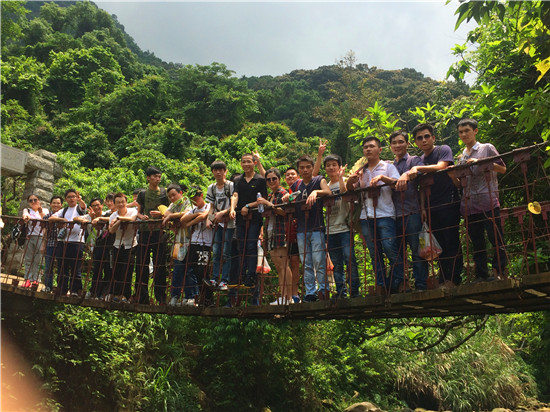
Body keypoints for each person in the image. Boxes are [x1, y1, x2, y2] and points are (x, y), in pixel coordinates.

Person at [346, 136, 404, 293]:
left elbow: (398, 184)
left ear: (379, 150)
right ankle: (382, 284)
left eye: (371, 146)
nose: (368, 149)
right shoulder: (361, 171)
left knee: (390, 247)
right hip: (366, 216)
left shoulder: (388, 166)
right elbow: (351, 189)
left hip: (385, 213)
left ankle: (398, 281)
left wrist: (382, 178)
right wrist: (351, 181)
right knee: (374, 252)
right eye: (365, 147)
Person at [408, 123, 463, 287]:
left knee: (451, 240)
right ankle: (444, 278)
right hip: (431, 207)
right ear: (416, 143)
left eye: (426, 136)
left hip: (449, 202)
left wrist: (417, 168)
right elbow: (423, 187)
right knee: (439, 243)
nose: (423, 140)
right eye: (419, 138)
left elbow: (441, 166)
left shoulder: (442, 150)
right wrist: (423, 208)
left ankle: (454, 279)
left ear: (433, 137)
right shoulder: (421, 160)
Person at [456, 118, 507, 281]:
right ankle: (481, 275)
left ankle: (500, 272)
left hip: (488, 200)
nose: (464, 134)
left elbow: (503, 168)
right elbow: (460, 184)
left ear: (475, 131)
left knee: (495, 237)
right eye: (461, 132)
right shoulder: (461, 157)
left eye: (467, 131)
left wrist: (482, 162)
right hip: (469, 204)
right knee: (477, 242)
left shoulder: (486, 148)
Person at [283, 154, 331, 301]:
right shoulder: (296, 185)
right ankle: (310, 292)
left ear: (312, 168)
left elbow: (328, 192)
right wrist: (286, 198)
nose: (305, 170)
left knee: (319, 260)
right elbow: (290, 198)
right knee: (306, 262)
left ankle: (323, 290)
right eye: (302, 168)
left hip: (316, 227)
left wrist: (316, 192)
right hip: (301, 229)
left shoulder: (318, 180)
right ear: (298, 170)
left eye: (308, 167)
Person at [390, 130, 428, 291]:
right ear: (390, 146)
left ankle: (420, 284)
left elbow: (422, 177)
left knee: (416, 250)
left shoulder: (414, 160)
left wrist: (423, 208)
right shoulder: (389, 166)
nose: (398, 145)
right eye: (394, 143)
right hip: (393, 214)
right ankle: (401, 284)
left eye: (401, 142)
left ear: (407, 143)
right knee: (397, 252)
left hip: (412, 211)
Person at [323, 154, 360, 298]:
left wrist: (340, 179)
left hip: (345, 227)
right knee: (337, 263)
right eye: (328, 165)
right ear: (325, 168)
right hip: (330, 229)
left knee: (349, 259)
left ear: (339, 167)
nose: (331, 167)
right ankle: (341, 292)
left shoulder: (345, 181)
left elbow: (345, 194)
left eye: (334, 164)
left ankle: (354, 291)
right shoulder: (325, 185)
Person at [229, 153, 268, 288]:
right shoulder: (238, 180)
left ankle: (251, 275)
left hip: (255, 217)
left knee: (251, 245)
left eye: (248, 162)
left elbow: (263, 199)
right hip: (240, 218)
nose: (246, 164)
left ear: (254, 163)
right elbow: (235, 195)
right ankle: (242, 274)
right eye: (243, 162)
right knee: (242, 246)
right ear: (241, 164)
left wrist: (248, 206)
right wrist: (232, 209)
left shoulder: (260, 180)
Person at [257, 168, 294, 305]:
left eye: (274, 179)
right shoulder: (271, 195)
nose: (271, 181)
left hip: (281, 230)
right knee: (279, 267)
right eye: (269, 179)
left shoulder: (282, 193)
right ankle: (283, 297)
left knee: (284, 265)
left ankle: (288, 297)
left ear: (279, 179)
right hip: (271, 232)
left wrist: (269, 205)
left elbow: (285, 212)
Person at [134, 166, 170, 304]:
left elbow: (169, 210)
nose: (157, 179)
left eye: (159, 176)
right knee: (141, 265)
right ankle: (141, 297)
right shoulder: (143, 194)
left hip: (159, 231)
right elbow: (138, 211)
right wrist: (141, 216)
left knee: (159, 265)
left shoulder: (164, 193)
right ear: (148, 178)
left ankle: (160, 298)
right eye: (154, 176)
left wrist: (161, 215)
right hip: (144, 230)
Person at [48, 189, 87, 296]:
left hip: (77, 242)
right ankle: (62, 289)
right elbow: (51, 218)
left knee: (75, 267)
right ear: (66, 199)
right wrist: (63, 220)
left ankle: (75, 290)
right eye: (69, 197)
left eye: (73, 196)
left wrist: (80, 200)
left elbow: (83, 207)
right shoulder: (63, 211)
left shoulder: (79, 208)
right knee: (62, 267)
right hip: (63, 242)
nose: (71, 199)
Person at [180, 186, 213, 305]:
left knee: (202, 272)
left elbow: (204, 216)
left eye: (196, 197)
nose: (195, 200)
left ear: (201, 195)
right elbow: (183, 219)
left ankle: (208, 298)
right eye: (192, 198)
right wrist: (195, 216)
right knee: (189, 269)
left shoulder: (209, 206)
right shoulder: (193, 209)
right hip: (193, 243)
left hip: (205, 244)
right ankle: (195, 296)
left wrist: (190, 223)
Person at [205, 161, 235, 290]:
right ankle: (215, 278)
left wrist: (223, 212)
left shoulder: (230, 186)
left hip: (229, 223)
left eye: (221, 170)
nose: (218, 172)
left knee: (226, 253)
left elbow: (234, 202)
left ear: (225, 171)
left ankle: (224, 280)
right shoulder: (211, 188)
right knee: (216, 252)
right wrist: (208, 219)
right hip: (218, 224)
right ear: (212, 172)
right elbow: (211, 207)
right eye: (215, 170)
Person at [161, 184, 192, 305]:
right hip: (179, 241)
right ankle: (175, 296)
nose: (172, 198)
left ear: (181, 193)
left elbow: (187, 213)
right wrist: (169, 216)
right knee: (178, 268)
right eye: (169, 196)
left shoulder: (187, 201)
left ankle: (189, 297)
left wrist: (171, 216)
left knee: (189, 269)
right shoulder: (173, 204)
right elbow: (166, 213)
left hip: (190, 240)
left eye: (174, 195)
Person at [109, 193, 138, 303]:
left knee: (127, 271)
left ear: (126, 202)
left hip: (130, 245)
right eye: (118, 202)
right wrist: (120, 220)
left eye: (122, 202)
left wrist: (119, 219)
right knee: (117, 270)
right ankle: (116, 294)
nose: (121, 204)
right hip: (117, 245)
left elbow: (132, 219)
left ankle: (125, 295)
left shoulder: (132, 211)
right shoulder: (113, 215)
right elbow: (111, 230)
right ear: (115, 204)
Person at [21, 194, 48, 288]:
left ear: (39, 200)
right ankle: (27, 279)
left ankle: (36, 279)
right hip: (29, 237)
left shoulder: (45, 210)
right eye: (31, 200)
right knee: (28, 259)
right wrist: (26, 217)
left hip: (40, 237)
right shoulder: (27, 210)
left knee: (38, 259)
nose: (33, 202)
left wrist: (40, 213)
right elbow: (25, 216)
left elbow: (46, 220)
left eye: (35, 200)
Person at [284, 167, 302, 302]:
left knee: (296, 262)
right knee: (287, 262)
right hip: (287, 231)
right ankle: (288, 295)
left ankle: (295, 294)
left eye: (292, 174)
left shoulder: (301, 186)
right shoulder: (285, 191)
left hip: (299, 228)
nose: (290, 176)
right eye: (287, 175)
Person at [42, 196, 63, 292]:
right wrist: (43, 244)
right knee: (48, 266)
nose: (56, 205)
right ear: (50, 204)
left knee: (61, 266)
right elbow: (45, 231)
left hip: (61, 244)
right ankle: (48, 286)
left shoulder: (64, 215)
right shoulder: (47, 216)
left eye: (58, 203)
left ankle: (60, 287)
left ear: (61, 205)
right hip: (50, 243)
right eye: (54, 203)